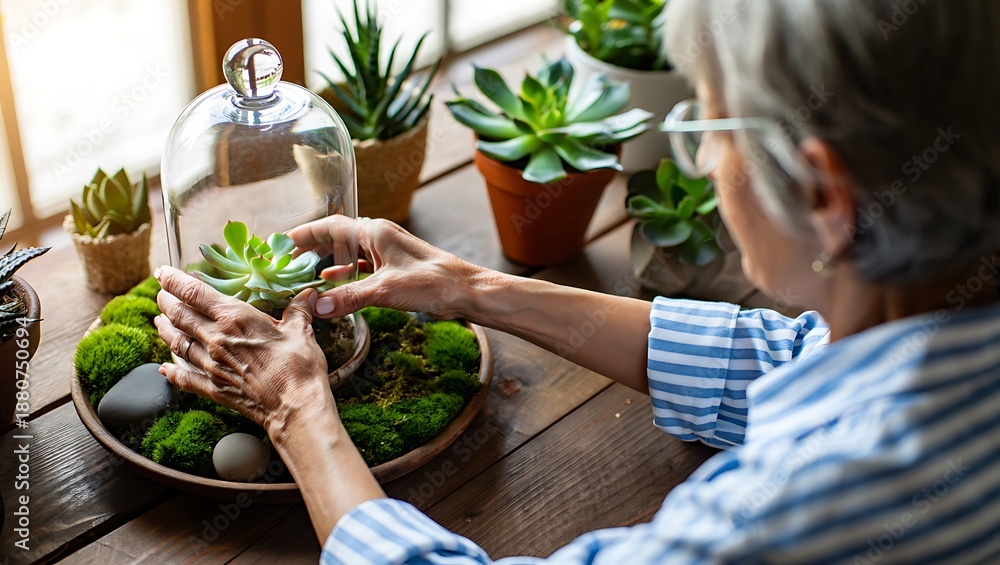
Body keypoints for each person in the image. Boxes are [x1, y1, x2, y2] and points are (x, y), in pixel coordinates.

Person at [153, 0, 1000, 562]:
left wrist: (295, 408)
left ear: (822, 195)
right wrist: (473, 287)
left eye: (709, 122)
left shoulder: (789, 517)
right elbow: (787, 355)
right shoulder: (942, 323)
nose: (702, 160)